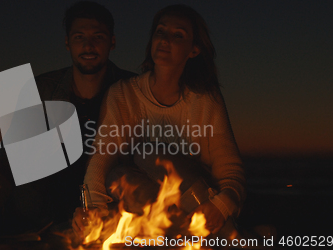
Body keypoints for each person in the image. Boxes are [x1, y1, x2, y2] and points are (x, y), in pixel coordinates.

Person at [0, 1, 136, 238]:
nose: (88, 45)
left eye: (98, 36)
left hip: (109, 213)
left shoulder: (133, 90)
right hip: (43, 217)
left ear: (113, 41)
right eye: (79, 37)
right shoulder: (42, 90)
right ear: (67, 43)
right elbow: (6, 162)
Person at [73, 4, 245, 242]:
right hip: (156, 208)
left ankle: (232, 236)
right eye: (160, 32)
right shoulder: (123, 94)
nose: (165, 40)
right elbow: (101, 157)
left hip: (203, 205)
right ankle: (212, 237)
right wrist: (92, 209)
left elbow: (230, 168)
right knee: (118, 177)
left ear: (194, 49)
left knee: (146, 154)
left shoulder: (205, 99)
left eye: (178, 35)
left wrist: (222, 204)